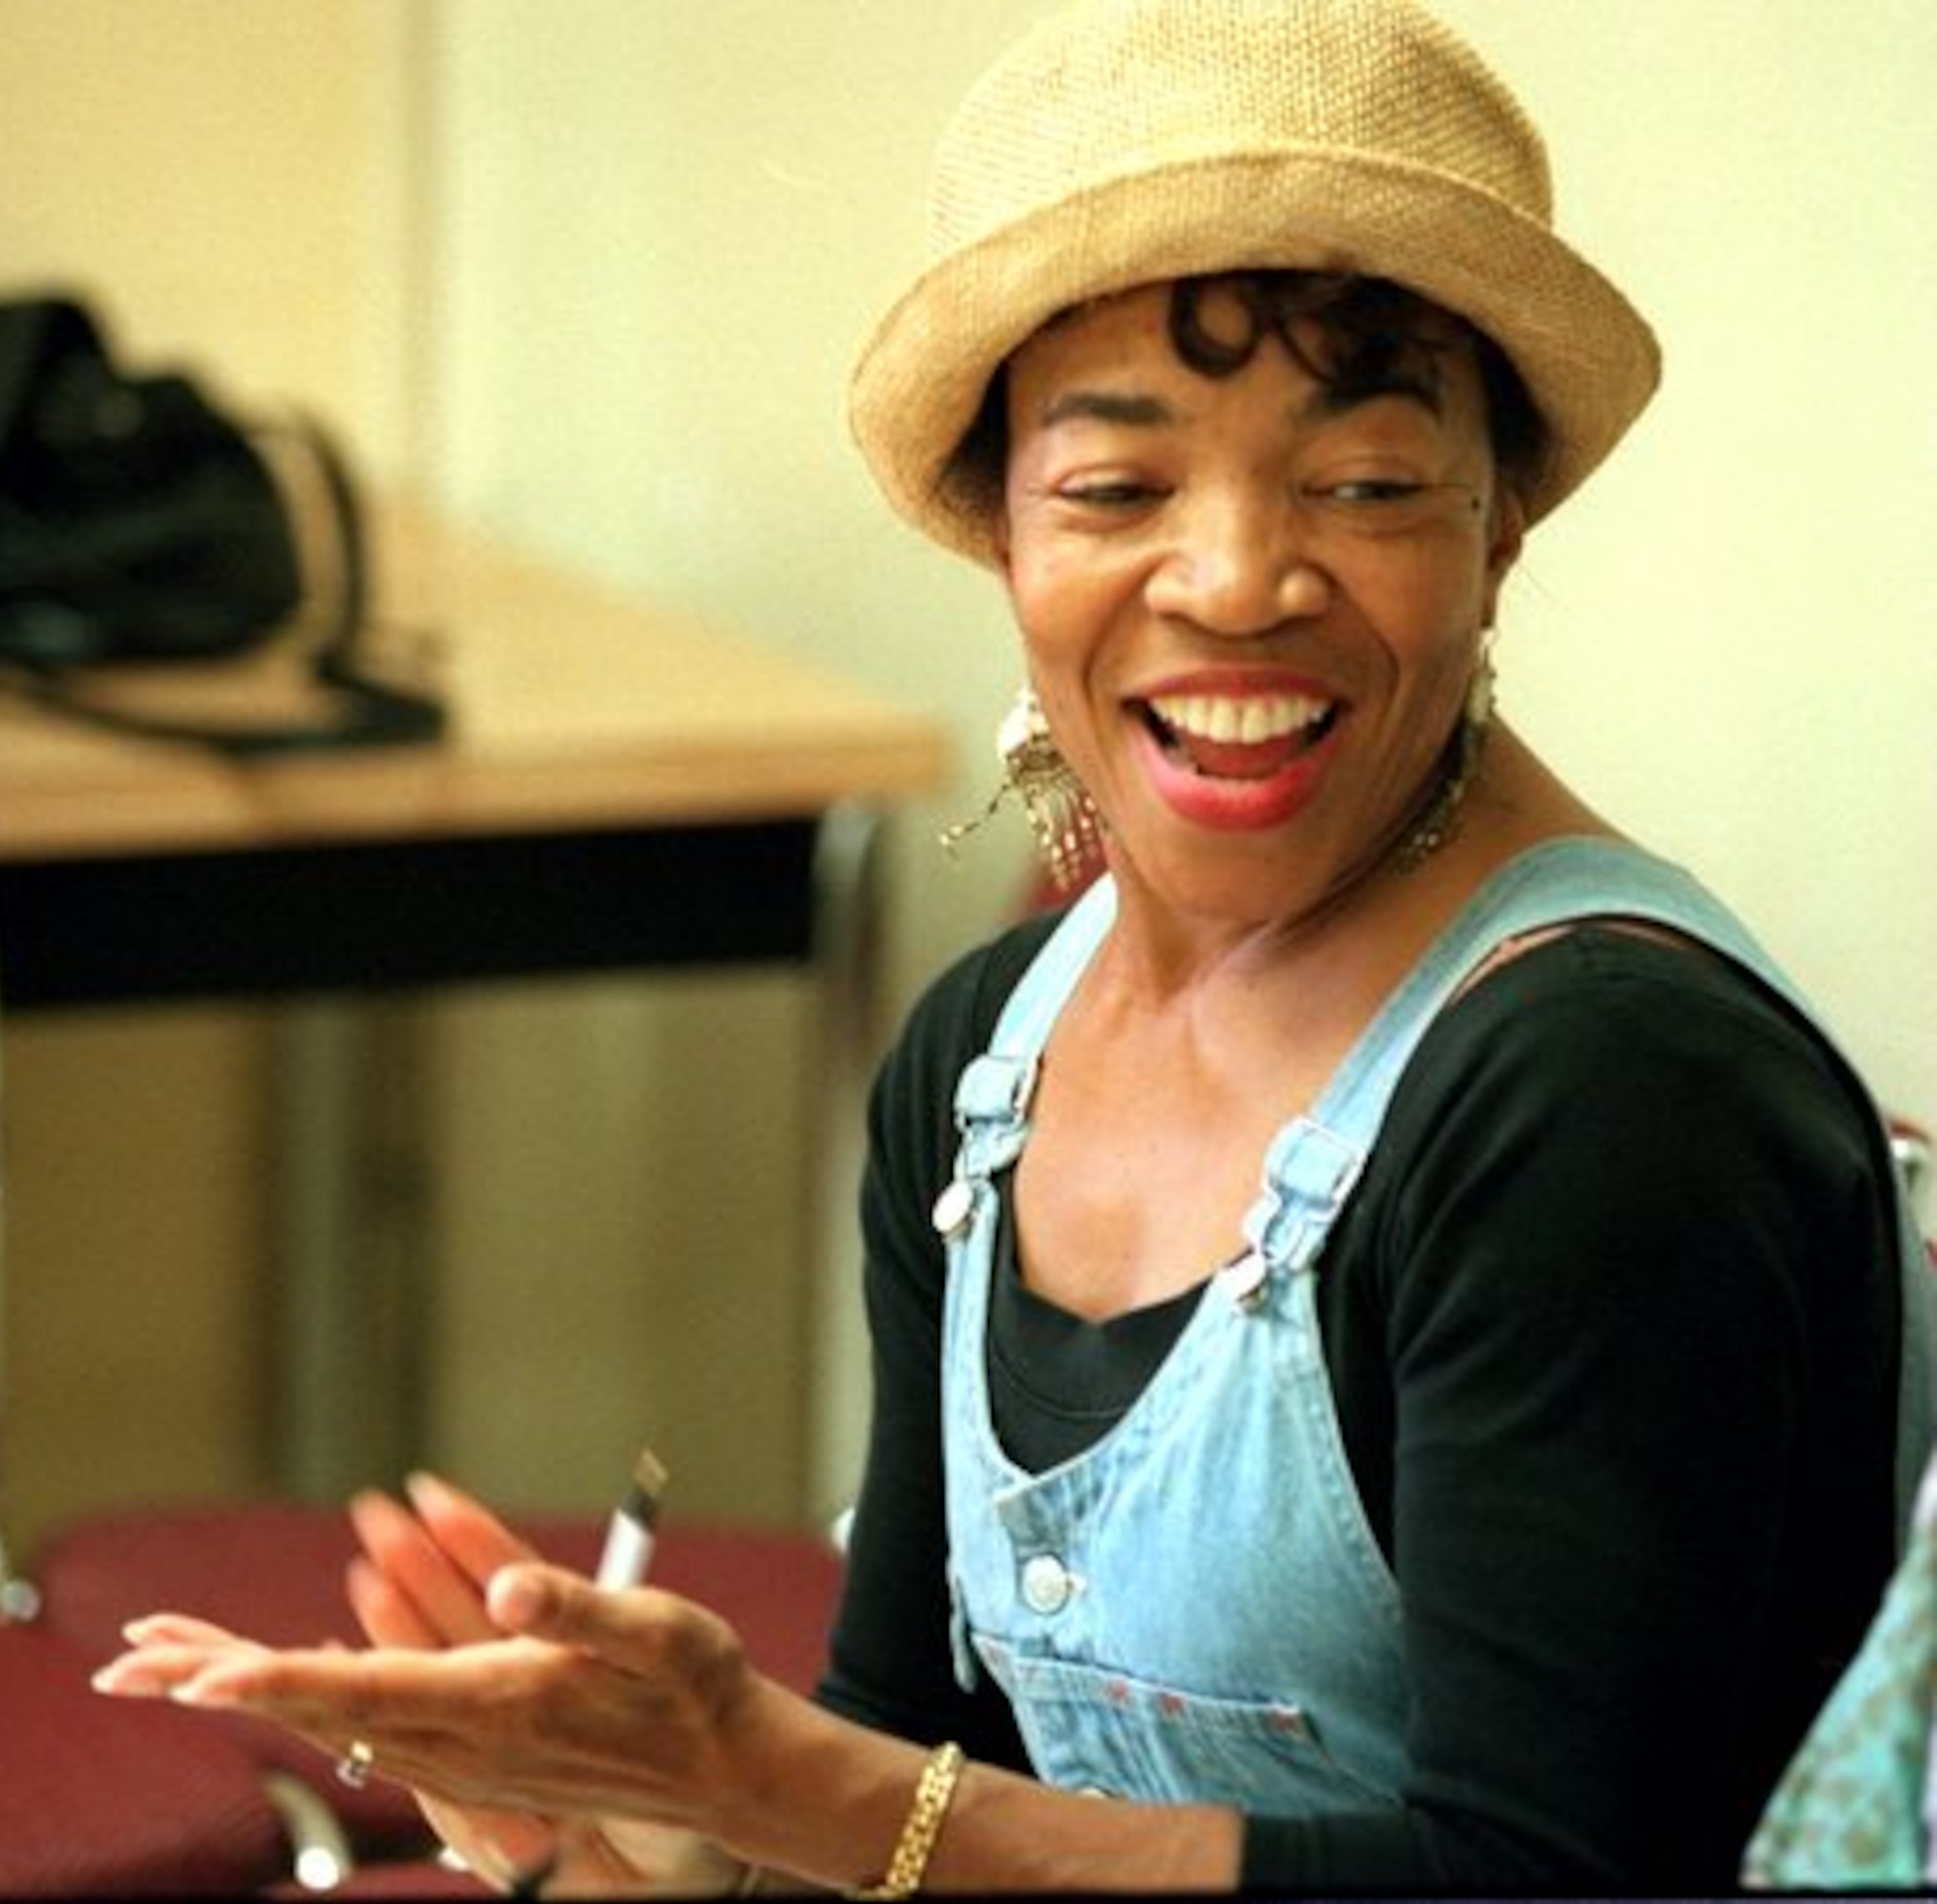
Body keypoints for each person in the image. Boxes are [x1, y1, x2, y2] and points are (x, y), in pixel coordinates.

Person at [93, 0, 1933, 1892]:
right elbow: (919, 1786)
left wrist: (773, 1777)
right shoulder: (987, 1073)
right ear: (995, 527)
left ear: (1502, 521)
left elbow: (1547, 1876)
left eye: (1366, 485)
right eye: (1118, 489)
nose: (1234, 581)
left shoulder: (1596, 1090)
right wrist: (602, 1835)